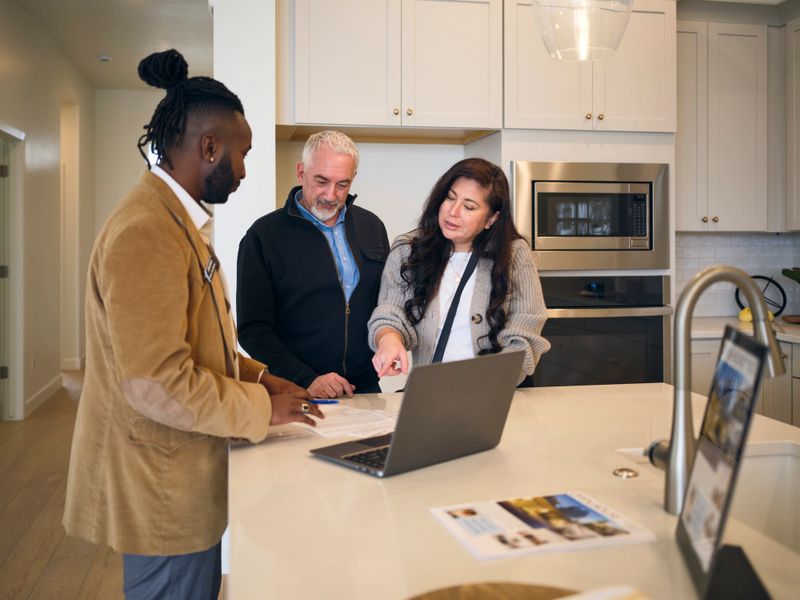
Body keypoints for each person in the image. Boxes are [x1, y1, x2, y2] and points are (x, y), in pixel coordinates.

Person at [62, 49, 322, 600]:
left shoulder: (173, 218)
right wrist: (261, 409)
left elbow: (198, 342)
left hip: (180, 471)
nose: (247, 168)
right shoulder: (146, 231)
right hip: (160, 484)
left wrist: (257, 378)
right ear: (209, 147)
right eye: (243, 153)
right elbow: (155, 381)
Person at [368, 158, 550, 384]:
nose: (453, 212)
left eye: (469, 207)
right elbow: (389, 312)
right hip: (431, 393)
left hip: (498, 391)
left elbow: (526, 329)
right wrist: (389, 339)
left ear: (491, 218)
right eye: (450, 198)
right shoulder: (408, 251)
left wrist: (490, 380)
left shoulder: (514, 254)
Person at [237, 131, 389, 398]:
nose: (331, 195)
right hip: (297, 391)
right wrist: (307, 379)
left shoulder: (372, 226)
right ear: (301, 172)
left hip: (365, 390)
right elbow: (253, 330)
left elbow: (384, 304)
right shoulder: (263, 236)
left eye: (343, 184)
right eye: (321, 181)